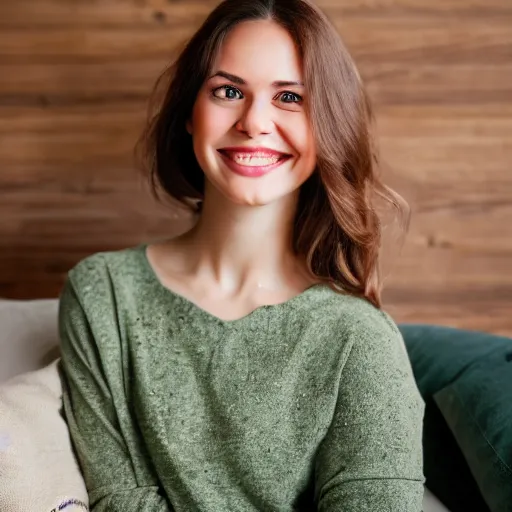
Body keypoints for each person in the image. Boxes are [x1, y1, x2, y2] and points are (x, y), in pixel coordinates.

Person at [57, 0, 425, 510]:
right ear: (190, 112)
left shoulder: (358, 338)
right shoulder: (103, 294)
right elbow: (120, 500)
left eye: (290, 97)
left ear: (328, 125)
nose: (254, 122)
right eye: (229, 91)